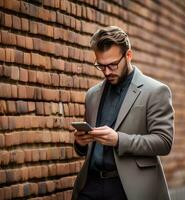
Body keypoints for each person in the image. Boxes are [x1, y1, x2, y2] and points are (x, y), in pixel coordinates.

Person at [72, 26, 174, 200]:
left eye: (112, 64)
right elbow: (86, 149)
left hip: (129, 189)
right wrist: (81, 143)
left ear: (128, 55)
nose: (107, 72)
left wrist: (119, 140)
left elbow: (164, 142)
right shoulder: (92, 95)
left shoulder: (156, 91)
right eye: (101, 66)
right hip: (90, 185)